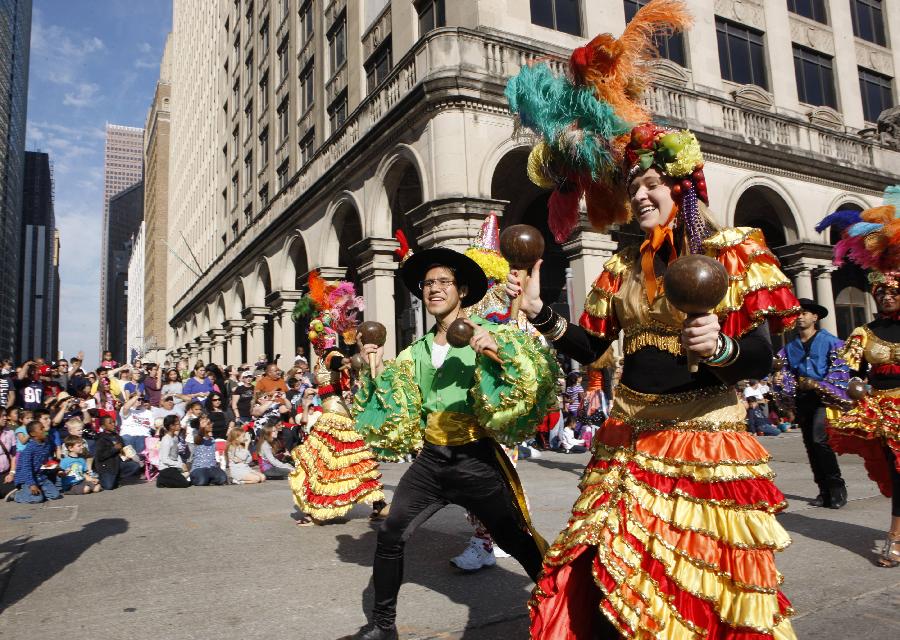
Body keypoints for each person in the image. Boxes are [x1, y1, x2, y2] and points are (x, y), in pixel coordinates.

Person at [506, 35, 802, 634]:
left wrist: (718, 347)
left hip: (702, 441)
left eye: (652, 184)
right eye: (632, 186)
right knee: (596, 568)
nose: (640, 195)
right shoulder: (621, 269)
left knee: (689, 585)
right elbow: (592, 350)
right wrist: (539, 312)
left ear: (682, 185)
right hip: (624, 440)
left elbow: (761, 356)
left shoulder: (732, 253)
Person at [345, 247, 558, 640]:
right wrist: (373, 370)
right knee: (391, 533)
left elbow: (528, 385)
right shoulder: (413, 354)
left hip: (476, 459)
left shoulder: (485, 331)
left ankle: (565, 613)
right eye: (428, 284)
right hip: (431, 462)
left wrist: (500, 354)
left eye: (444, 282)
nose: (434, 289)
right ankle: (382, 626)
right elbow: (393, 412)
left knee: (517, 541)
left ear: (461, 291)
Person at [818, 195, 900, 566]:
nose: (885, 295)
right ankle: (897, 534)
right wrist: (849, 387)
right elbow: (845, 372)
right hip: (882, 414)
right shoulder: (864, 333)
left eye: (893, 290)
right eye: (880, 290)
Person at [287, 272, 386, 526]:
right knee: (340, 460)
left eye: (319, 334)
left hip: (336, 414)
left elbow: (339, 361)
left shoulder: (331, 354)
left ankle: (374, 504)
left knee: (331, 460)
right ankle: (376, 504)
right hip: (330, 412)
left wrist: (354, 359)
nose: (315, 338)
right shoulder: (321, 357)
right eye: (315, 335)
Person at [772, 298, 849, 508]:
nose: (800, 316)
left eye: (805, 312)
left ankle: (836, 487)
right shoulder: (790, 347)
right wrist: (781, 379)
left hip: (824, 399)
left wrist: (819, 384)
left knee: (819, 440)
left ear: (815, 317)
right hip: (802, 399)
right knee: (809, 444)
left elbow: (841, 369)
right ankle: (823, 490)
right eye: (797, 313)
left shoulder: (831, 341)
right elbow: (785, 372)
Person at [13, 420, 61, 503]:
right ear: (33, 434)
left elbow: (47, 460)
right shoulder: (29, 449)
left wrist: (55, 467)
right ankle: (17, 495)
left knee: (55, 495)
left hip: (41, 476)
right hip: (27, 479)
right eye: (41, 429)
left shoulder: (47, 444)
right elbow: (26, 468)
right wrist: (32, 484)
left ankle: (39, 492)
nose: (44, 430)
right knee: (37, 499)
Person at [93, 420, 142, 490]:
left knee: (135, 465)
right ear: (103, 426)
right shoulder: (100, 438)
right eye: (110, 423)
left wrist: (126, 456)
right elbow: (101, 456)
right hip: (106, 466)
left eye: (113, 422)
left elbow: (123, 450)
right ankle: (99, 478)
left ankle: (117, 478)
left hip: (117, 463)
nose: (113, 424)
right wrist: (114, 449)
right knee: (108, 487)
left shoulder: (117, 436)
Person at [190, 417, 228, 486]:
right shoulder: (197, 437)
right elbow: (198, 440)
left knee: (223, 478)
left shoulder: (212, 439)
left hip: (211, 468)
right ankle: (197, 478)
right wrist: (201, 428)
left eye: (211, 422)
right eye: (208, 423)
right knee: (202, 481)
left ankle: (209, 478)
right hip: (199, 468)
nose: (211, 424)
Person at [156, 416, 191, 488]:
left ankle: (173, 477)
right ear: (171, 426)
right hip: (166, 468)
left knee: (190, 480)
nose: (180, 425)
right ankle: (161, 479)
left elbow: (176, 454)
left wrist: (182, 464)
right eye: (178, 424)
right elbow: (164, 459)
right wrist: (179, 465)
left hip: (174, 467)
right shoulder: (166, 440)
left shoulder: (175, 437)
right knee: (185, 484)